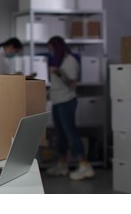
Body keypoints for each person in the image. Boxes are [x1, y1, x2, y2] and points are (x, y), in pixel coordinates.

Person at [45, 36, 94, 180]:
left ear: (58, 47)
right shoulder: (60, 61)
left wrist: (57, 72)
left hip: (67, 101)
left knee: (71, 133)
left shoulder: (70, 60)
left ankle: (85, 165)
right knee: (61, 135)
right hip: (57, 101)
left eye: (52, 49)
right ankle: (62, 164)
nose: (51, 52)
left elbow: (71, 82)